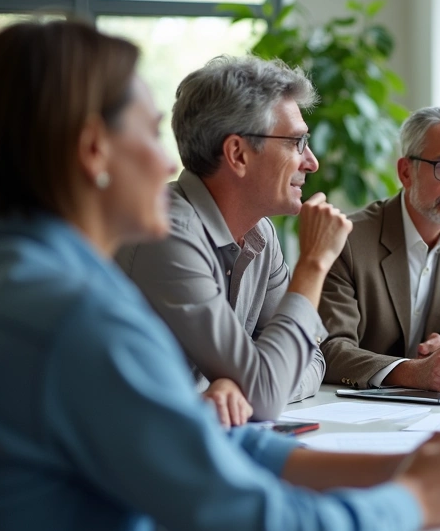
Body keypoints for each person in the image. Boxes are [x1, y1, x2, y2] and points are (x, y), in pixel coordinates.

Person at [0, 20, 440, 531]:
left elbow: (239, 417)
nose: (165, 163)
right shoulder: (80, 317)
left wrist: (400, 466)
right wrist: (414, 500)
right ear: (93, 150)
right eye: (151, 135)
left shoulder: (22, 276)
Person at [116, 56, 336, 423]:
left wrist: (248, 386)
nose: (311, 162)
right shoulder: (167, 234)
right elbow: (265, 395)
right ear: (238, 154)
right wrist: (314, 264)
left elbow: (312, 359)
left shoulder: (260, 231)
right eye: (297, 142)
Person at [320, 106, 440, 391]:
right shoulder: (349, 239)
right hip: (355, 409)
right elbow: (330, 347)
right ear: (405, 172)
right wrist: (413, 372)